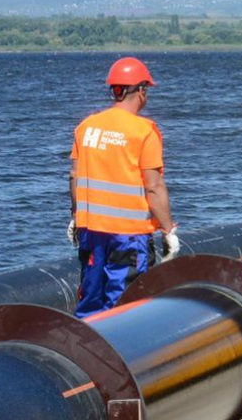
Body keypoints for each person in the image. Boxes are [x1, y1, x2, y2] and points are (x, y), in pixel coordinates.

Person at [68, 56, 179, 318]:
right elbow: (153, 187)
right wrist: (167, 230)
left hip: (92, 233)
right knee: (128, 307)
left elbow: (74, 177)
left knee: (91, 302)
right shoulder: (144, 131)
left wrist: (75, 217)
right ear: (141, 91)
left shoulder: (86, 127)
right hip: (128, 238)